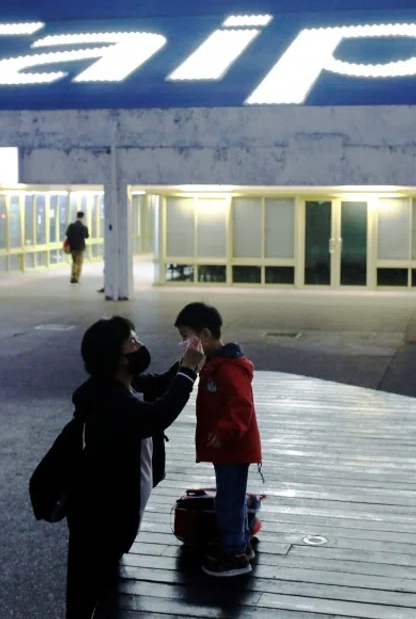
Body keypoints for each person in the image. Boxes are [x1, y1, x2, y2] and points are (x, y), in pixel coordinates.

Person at [66, 316, 205, 619]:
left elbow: (156, 385)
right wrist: (188, 373)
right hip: (98, 516)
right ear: (115, 359)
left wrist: (184, 364)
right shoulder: (109, 401)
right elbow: (156, 416)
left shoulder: (126, 383)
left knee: (102, 586)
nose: (139, 345)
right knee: (89, 593)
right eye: (131, 341)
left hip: (113, 513)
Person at [174, 302, 262, 577]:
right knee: (230, 498)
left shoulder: (228, 369)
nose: (184, 344)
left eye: (186, 337)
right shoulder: (214, 364)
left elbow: (241, 406)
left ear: (205, 335)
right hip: (228, 448)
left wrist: (224, 433)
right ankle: (240, 544)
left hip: (233, 447)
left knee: (229, 501)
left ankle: (234, 554)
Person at [65, 212, 90, 284]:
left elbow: (67, 234)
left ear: (76, 216)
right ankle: (76, 277)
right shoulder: (84, 228)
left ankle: (73, 275)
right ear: (82, 217)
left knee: (74, 261)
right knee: (79, 263)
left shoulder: (71, 226)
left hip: (72, 247)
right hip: (80, 248)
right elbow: (87, 236)